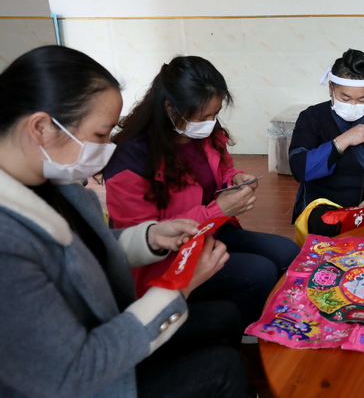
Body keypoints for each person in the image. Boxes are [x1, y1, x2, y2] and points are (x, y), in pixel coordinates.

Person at [0, 45, 250, 397]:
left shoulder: (56, 185)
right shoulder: (8, 244)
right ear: (41, 127)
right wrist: (178, 287)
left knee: (225, 317)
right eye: (100, 134)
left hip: (110, 321)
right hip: (90, 376)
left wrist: (150, 237)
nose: (108, 148)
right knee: (222, 367)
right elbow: (74, 373)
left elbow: (86, 249)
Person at [104, 55, 299, 327]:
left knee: (287, 251)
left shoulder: (205, 133)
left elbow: (222, 170)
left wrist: (234, 179)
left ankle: (259, 316)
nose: (210, 122)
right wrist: (218, 210)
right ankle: (235, 330)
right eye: (203, 116)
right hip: (166, 257)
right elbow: (142, 237)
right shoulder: (131, 159)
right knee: (258, 272)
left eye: (215, 114)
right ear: (170, 108)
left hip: (211, 231)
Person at [289, 48, 364, 233]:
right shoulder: (311, 117)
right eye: (345, 98)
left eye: (363, 99)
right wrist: (343, 141)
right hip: (323, 201)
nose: (353, 105)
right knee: (329, 231)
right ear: (331, 88)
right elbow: (300, 169)